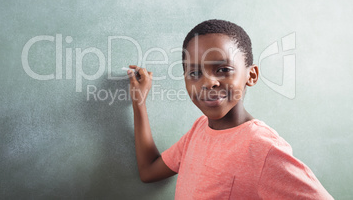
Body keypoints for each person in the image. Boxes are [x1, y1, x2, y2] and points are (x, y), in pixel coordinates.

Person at [126, 19, 333, 199]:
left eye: (223, 69)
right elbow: (149, 170)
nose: (208, 82)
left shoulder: (263, 148)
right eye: (195, 73)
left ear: (251, 75)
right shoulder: (199, 130)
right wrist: (139, 101)